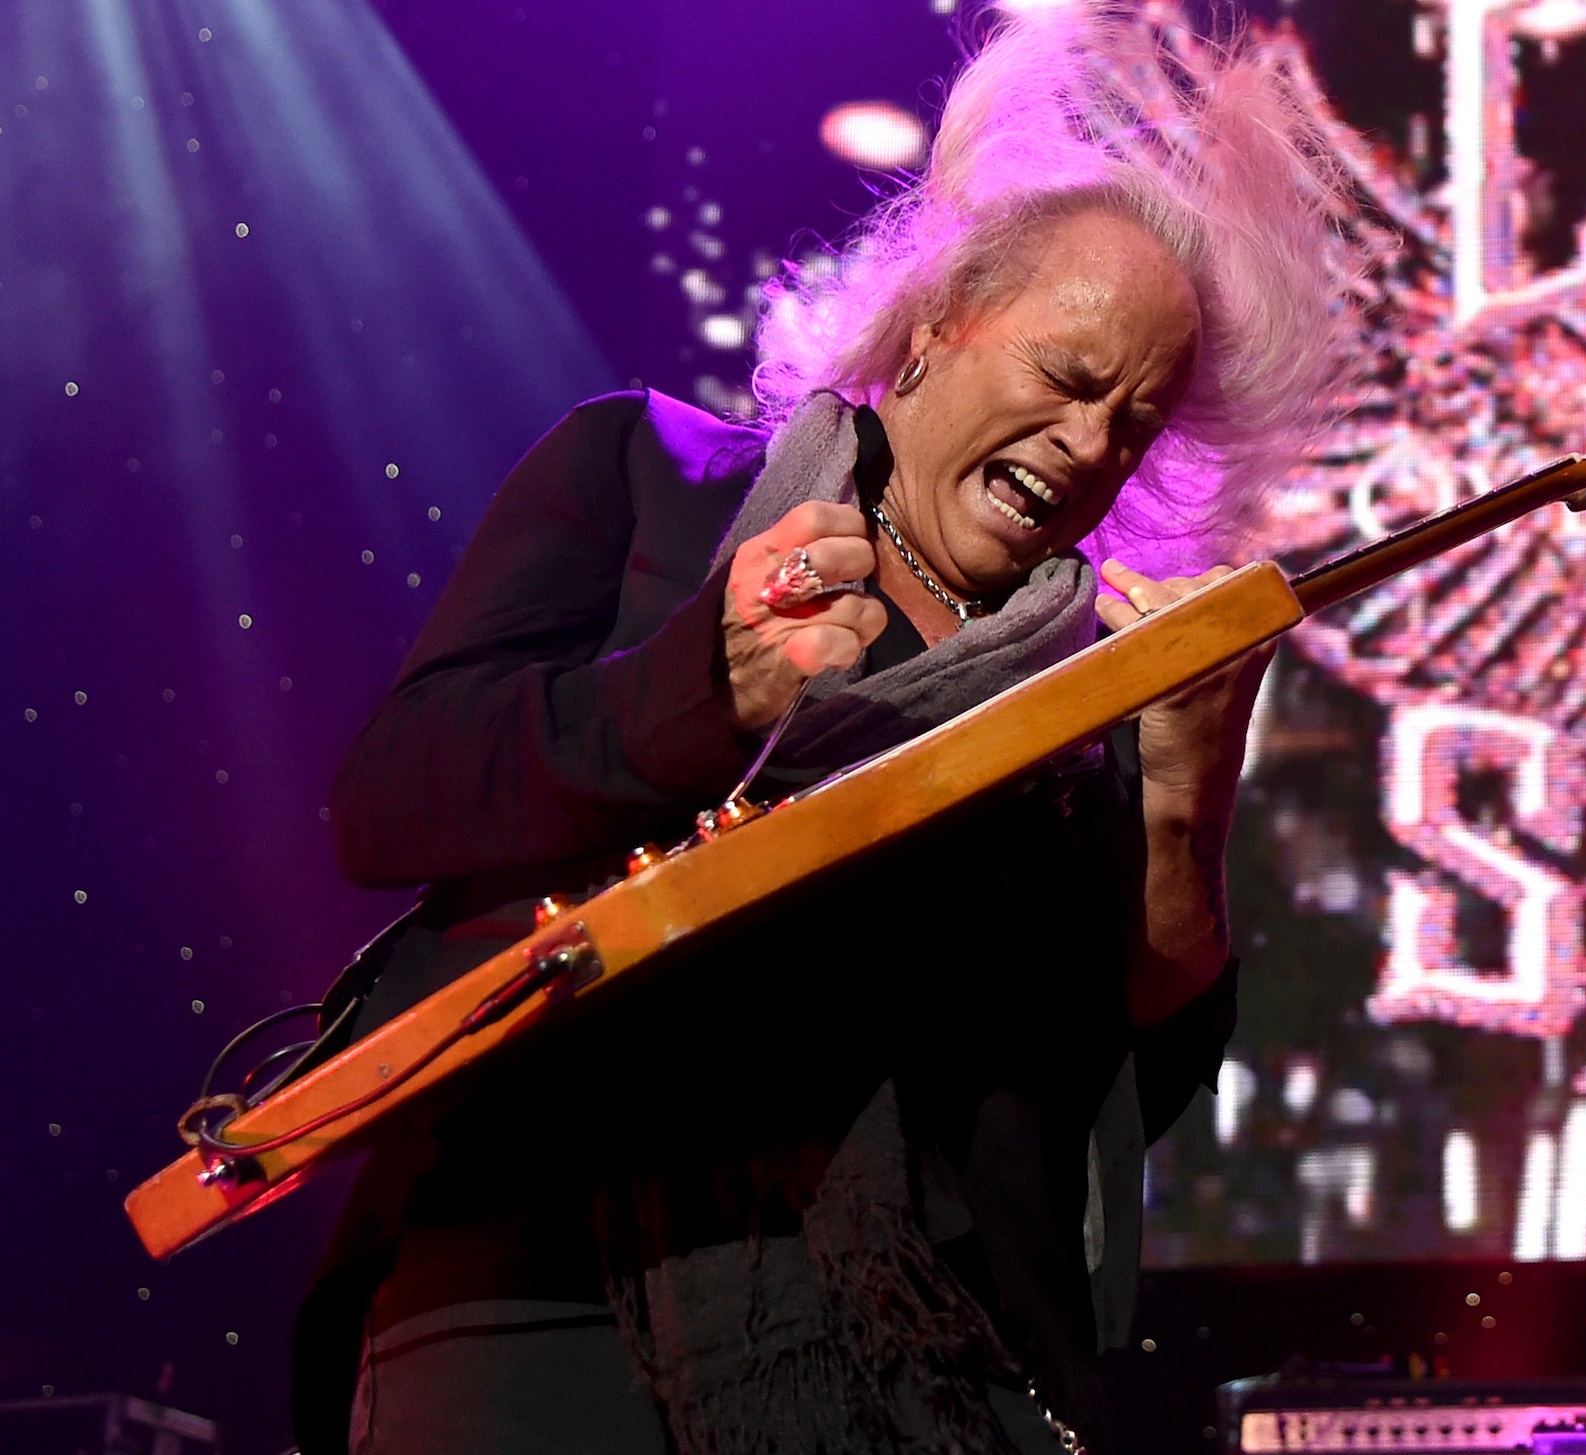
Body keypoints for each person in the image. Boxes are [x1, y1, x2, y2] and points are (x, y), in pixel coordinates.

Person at [293, 9, 1356, 1453]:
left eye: (1135, 424)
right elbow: (395, 798)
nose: (1092, 447)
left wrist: (1184, 812)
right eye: (1067, 378)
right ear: (933, 329)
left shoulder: (1088, 700)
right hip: (530, 1290)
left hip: (913, 1369)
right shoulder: (650, 487)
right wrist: (697, 695)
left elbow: (1093, 1114)